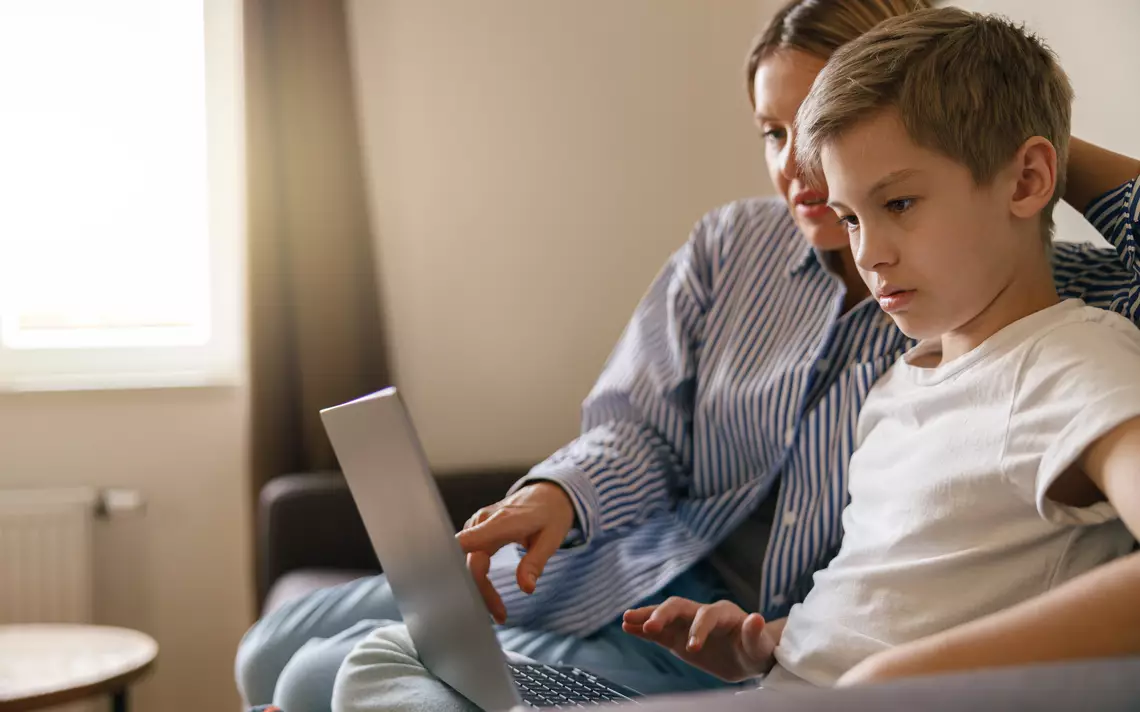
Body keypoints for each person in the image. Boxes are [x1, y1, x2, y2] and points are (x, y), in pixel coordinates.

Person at [234, 1, 1140, 710]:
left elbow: (896, 621)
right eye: (777, 136)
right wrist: (564, 501)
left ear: (1024, 178)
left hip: (770, 676)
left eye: (892, 197)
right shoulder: (865, 341)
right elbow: (644, 436)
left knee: (340, 680)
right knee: (307, 657)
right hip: (693, 607)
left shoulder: (1047, 333)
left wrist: (993, 119)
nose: (802, 176)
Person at [622, 6, 1140, 691]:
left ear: (1026, 180)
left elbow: (892, 654)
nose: (868, 252)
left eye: (898, 204)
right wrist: (768, 645)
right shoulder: (902, 384)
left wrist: (898, 677)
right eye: (848, 216)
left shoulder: (1070, 364)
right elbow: (883, 602)